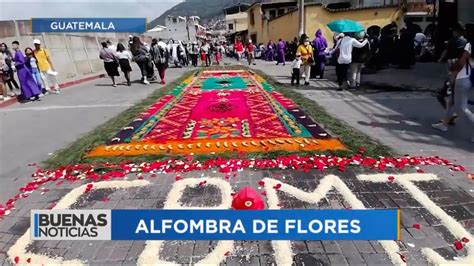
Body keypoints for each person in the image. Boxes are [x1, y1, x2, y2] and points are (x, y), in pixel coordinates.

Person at [432, 27, 474, 142]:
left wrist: (453, 73)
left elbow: (462, 61)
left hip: (463, 77)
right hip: (469, 78)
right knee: (451, 101)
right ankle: (444, 124)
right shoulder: (466, 43)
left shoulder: (469, 45)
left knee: (461, 107)